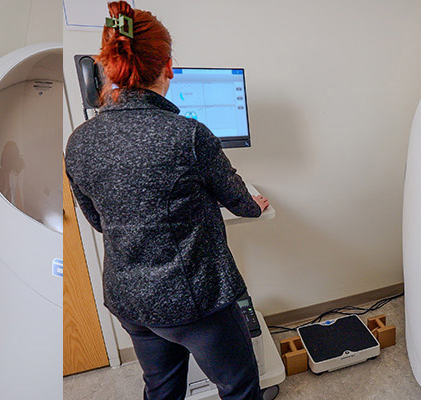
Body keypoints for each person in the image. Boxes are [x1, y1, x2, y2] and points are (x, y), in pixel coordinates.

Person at [64, 2, 270, 399]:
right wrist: (252, 204)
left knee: (160, 388)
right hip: (196, 301)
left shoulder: (79, 141)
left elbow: (98, 220)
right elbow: (238, 201)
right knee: (239, 386)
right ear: (168, 67)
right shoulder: (189, 135)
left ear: (107, 69)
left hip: (129, 299)